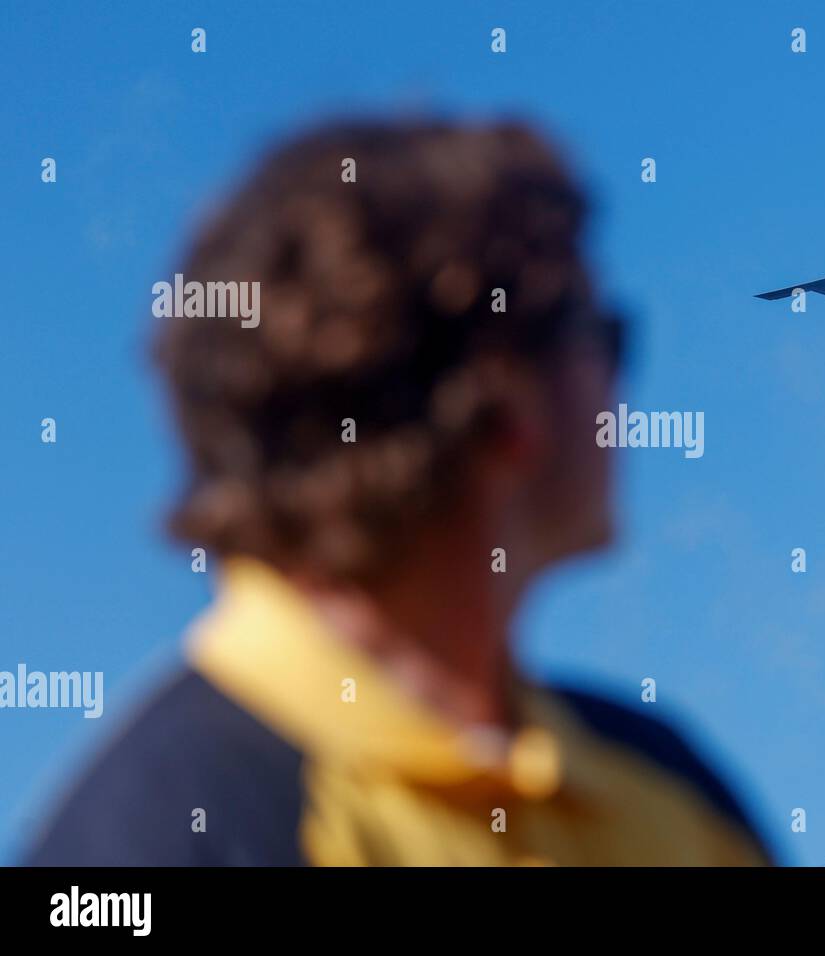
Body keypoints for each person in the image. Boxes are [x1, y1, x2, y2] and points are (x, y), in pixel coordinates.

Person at [22, 119, 770, 866]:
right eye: (605, 334)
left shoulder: (677, 788)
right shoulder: (162, 838)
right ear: (506, 398)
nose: (620, 388)